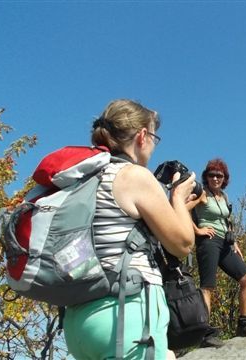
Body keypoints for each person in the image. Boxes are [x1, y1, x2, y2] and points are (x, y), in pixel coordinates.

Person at [64, 99, 197, 360]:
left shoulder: (81, 178)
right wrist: (178, 199)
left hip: (78, 322)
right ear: (142, 136)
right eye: (154, 138)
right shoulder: (134, 175)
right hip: (125, 315)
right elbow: (182, 244)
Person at [192, 158, 246, 342]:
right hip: (208, 241)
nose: (215, 178)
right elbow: (181, 208)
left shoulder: (224, 196)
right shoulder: (201, 193)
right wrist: (198, 230)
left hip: (225, 243)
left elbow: (226, 220)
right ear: (206, 177)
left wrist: (234, 241)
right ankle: (205, 332)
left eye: (219, 175)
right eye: (211, 175)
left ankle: (243, 323)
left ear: (224, 178)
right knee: (208, 286)